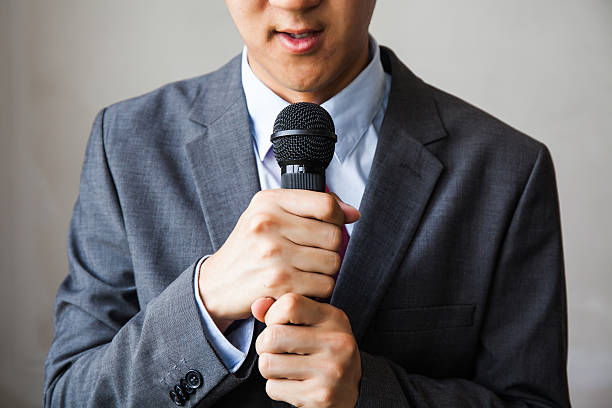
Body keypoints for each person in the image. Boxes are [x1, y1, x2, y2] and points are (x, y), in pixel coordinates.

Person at [44, 1, 571, 407]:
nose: (295, 3)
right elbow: (69, 395)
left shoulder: (507, 171)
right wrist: (204, 300)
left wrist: (369, 392)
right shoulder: (126, 143)